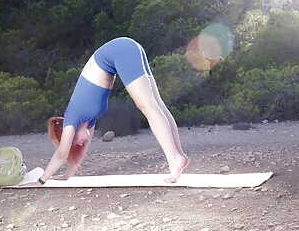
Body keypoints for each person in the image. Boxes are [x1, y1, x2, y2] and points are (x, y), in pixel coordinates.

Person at [30, 37, 189, 186]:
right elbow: (78, 154)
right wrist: (67, 174)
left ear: (67, 131)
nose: (79, 143)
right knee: (156, 104)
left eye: (73, 141)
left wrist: (41, 180)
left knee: (147, 106)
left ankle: (174, 158)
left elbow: (61, 154)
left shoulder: (73, 116)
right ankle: (179, 156)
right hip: (124, 48)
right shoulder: (88, 120)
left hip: (119, 51)